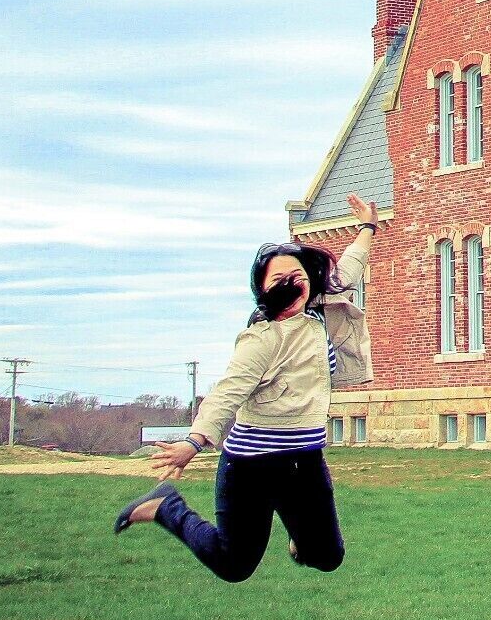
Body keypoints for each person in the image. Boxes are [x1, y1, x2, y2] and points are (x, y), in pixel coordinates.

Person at [112, 194, 378, 580]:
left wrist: (367, 226)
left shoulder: (318, 314)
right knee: (233, 565)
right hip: (251, 467)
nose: (291, 284)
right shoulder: (261, 339)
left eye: (298, 277)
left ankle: (302, 536)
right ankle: (166, 506)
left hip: (304, 462)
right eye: (279, 280)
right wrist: (194, 442)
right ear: (263, 289)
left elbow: (349, 270)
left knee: (327, 557)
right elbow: (228, 392)